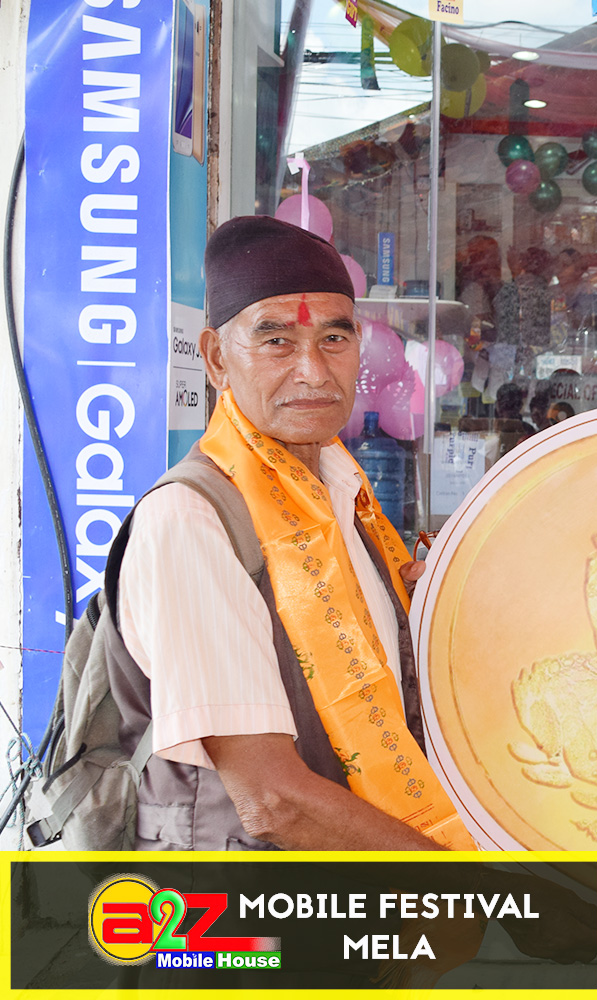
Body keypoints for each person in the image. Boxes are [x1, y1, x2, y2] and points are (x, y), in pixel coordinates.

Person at [116, 216, 474, 851]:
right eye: (276, 341)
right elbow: (271, 800)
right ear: (217, 359)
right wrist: (476, 892)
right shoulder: (192, 520)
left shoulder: (346, 495)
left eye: (334, 338)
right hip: (241, 903)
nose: (313, 371)